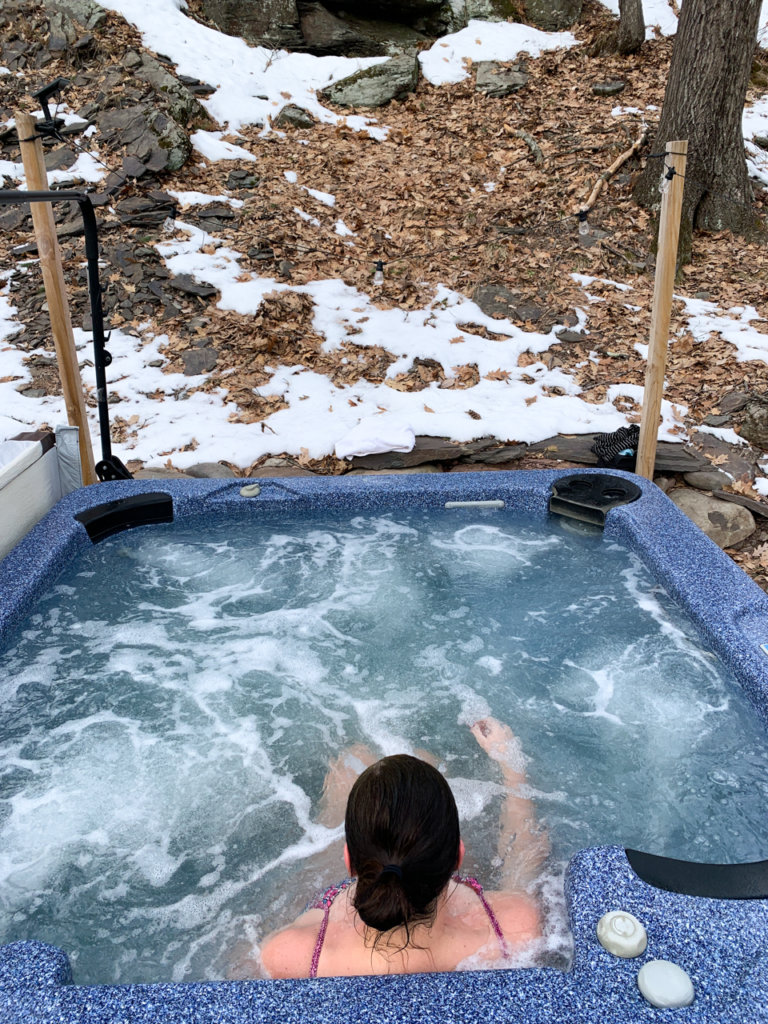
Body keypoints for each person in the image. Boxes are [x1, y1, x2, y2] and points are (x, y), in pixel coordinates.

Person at [257, 717, 548, 979]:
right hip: (458, 918)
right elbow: (524, 858)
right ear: (458, 855)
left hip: (334, 932)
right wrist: (512, 767)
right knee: (423, 762)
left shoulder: (288, 956)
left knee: (353, 760)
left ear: (348, 861)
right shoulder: (515, 928)